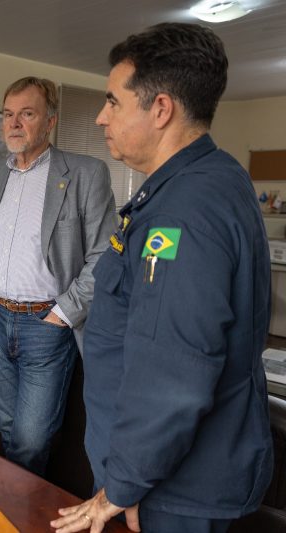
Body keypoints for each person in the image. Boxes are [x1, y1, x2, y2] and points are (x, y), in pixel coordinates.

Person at [52, 23, 273, 533]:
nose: (101, 116)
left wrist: (124, 483)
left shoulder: (186, 210)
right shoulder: (205, 179)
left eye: (112, 101)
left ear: (161, 109)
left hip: (172, 487)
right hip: (164, 475)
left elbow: (174, 370)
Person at [0, 77, 116, 475]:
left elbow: (106, 255)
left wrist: (64, 314)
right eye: (8, 115)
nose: (14, 123)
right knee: (5, 426)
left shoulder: (86, 173)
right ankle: (15, 506)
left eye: (27, 113)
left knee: (31, 439)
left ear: (50, 121)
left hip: (46, 324)